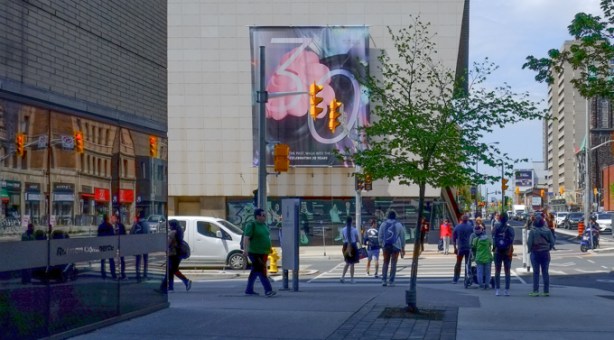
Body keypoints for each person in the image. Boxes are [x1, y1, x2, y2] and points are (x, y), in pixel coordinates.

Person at [243, 208, 276, 296]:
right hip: (254, 252)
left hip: (263, 252)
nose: (265, 217)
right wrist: (245, 250)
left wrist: (269, 247)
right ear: (258, 216)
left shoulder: (264, 225)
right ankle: (268, 290)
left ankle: (249, 290)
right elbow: (246, 238)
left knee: (254, 271)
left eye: (265, 215)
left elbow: (266, 237)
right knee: (261, 271)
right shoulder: (252, 225)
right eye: (263, 215)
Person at [159, 219, 192, 292]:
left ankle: (164, 288)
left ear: (172, 225)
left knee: (171, 271)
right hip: (177, 254)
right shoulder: (180, 231)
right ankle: (170, 287)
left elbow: (168, 243)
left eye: (170, 225)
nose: (169, 226)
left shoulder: (172, 233)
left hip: (172, 254)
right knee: (171, 271)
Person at [527, 215, 555, 296]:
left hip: (535, 252)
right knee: (545, 272)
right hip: (545, 253)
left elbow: (529, 242)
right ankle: (546, 291)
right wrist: (548, 248)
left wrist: (529, 249)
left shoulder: (533, 231)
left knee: (536, 272)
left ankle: (535, 291)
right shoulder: (548, 231)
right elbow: (552, 242)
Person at [378, 211, 406, 287]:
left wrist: (381, 244)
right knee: (393, 263)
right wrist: (403, 247)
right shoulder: (399, 225)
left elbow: (380, 235)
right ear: (395, 216)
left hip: (386, 246)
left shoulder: (383, 224)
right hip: (396, 246)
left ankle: (384, 280)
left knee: (385, 262)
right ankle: (391, 281)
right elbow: (402, 236)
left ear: (388, 216)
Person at [492, 212, 514, 296]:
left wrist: (493, 250)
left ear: (499, 219)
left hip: (497, 251)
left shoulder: (495, 227)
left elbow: (493, 239)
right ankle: (506, 290)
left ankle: (497, 289)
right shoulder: (510, 228)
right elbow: (511, 241)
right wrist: (510, 250)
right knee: (507, 271)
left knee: (497, 271)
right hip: (507, 252)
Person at [452, 214, 473, 284]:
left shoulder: (457, 227)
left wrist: (455, 247)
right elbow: (473, 237)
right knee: (468, 264)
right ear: (467, 219)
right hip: (468, 248)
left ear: (461, 219)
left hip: (460, 248)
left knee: (458, 263)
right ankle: (467, 278)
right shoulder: (470, 227)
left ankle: (455, 278)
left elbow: (454, 238)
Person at [471, 224, 493, 290]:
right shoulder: (488, 239)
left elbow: (473, 247)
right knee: (488, 273)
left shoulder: (475, 240)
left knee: (479, 272)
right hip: (488, 257)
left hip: (479, 258)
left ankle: (481, 285)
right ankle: (487, 285)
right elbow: (490, 245)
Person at [131, 212, 150, 282]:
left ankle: (138, 275)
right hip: (145, 244)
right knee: (145, 260)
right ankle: (145, 275)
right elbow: (149, 234)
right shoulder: (147, 224)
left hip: (138, 244)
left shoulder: (136, 224)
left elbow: (131, 233)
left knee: (138, 261)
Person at [340, 216, 360, 283]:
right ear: (352, 221)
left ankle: (342, 277)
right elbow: (357, 239)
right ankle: (352, 279)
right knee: (352, 264)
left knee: (347, 262)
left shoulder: (343, 229)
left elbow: (343, 238)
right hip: (352, 246)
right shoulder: (354, 230)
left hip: (345, 246)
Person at [97, 214, 117, 280]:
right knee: (111, 260)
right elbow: (112, 236)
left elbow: (98, 236)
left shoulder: (100, 226)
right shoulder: (110, 226)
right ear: (107, 219)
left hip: (102, 245)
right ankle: (113, 274)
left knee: (103, 261)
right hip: (109, 245)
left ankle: (103, 274)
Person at [111, 214, 127, 280]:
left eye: (115, 219)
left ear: (118, 219)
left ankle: (121, 273)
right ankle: (122, 273)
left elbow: (115, 234)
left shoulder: (118, 226)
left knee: (120, 260)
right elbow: (125, 235)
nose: (114, 220)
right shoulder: (119, 226)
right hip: (120, 244)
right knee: (121, 260)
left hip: (118, 244)